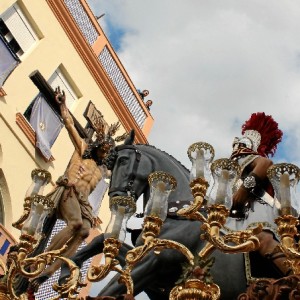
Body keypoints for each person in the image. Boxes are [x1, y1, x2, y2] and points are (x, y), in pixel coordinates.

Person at [30, 87, 122, 290]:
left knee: (85, 231)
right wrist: (63, 104)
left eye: (107, 151)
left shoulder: (102, 170)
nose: (104, 151)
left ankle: (50, 270)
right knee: (75, 224)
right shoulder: (83, 150)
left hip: (83, 201)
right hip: (69, 190)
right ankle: (42, 259)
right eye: (103, 147)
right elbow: (69, 123)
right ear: (97, 145)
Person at [226, 112, 290, 276]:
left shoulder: (243, 156)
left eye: (240, 143)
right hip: (237, 216)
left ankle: (295, 276)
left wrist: (243, 190)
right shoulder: (228, 171)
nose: (236, 145)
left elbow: (265, 164)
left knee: (262, 238)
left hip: (257, 206)